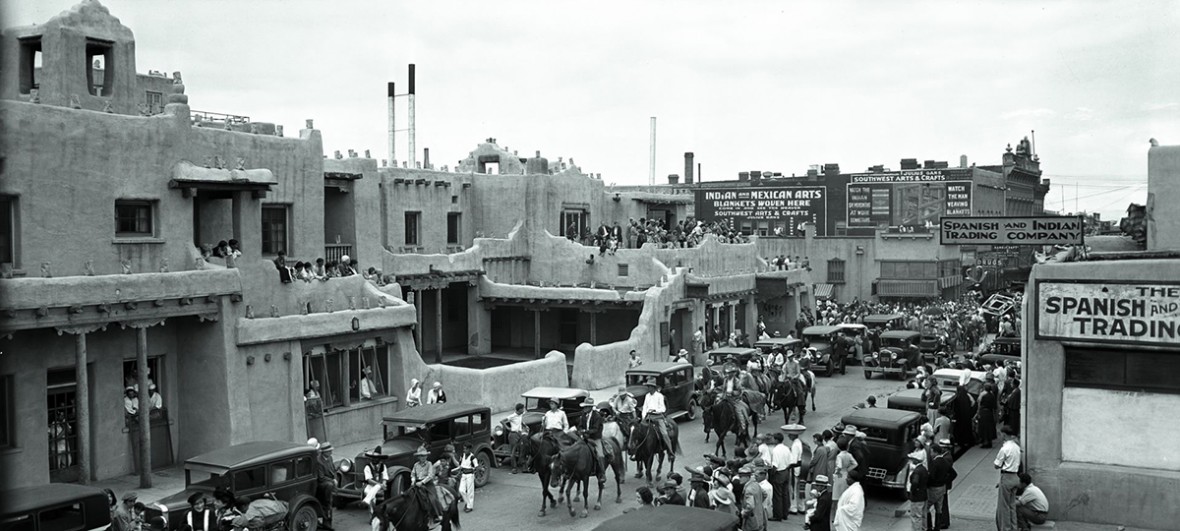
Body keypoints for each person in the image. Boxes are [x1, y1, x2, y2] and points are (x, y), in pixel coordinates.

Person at [995, 426, 1022, 531]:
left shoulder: (1005, 448)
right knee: (1012, 505)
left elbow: (997, 465)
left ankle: (1005, 528)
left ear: (1004, 434)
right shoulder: (1016, 447)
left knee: (1004, 506)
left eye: (1000, 434)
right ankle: (1014, 527)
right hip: (1015, 476)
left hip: (1007, 476)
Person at [411, 445, 445, 524]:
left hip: (427, 484)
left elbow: (430, 475)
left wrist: (422, 482)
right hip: (417, 483)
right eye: (421, 456)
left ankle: (436, 515)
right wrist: (413, 480)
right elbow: (412, 474)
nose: (423, 457)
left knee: (432, 498)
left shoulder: (429, 464)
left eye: (424, 456)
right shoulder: (416, 465)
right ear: (418, 457)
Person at [640, 381, 675, 455]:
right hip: (648, 416)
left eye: (650, 387)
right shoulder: (647, 396)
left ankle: (670, 450)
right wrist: (643, 416)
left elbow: (663, 408)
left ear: (653, 388)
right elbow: (645, 407)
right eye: (648, 387)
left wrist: (655, 410)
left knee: (664, 433)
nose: (648, 388)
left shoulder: (660, 396)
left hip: (658, 416)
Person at [575, 396, 606, 476]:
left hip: (595, 438)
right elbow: (580, 425)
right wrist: (580, 430)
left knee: (600, 455)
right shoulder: (583, 415)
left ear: (590, 407)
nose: (585, 408)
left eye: (586, 407)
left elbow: (595, 429)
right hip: (585, 437)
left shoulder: (597, 416)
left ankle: (602, 473)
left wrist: (586, 431)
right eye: (584, 406)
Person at [307, 438, 335, 525]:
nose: (331, 452)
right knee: (326, 502)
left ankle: (328, 520)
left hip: (329, 482)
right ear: (324, 452)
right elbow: (321, 478)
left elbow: (333, 470)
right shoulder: (319, 461)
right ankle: (326, 521)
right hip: (323, 485)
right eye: (329, 451)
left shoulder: (330, 458)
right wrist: (332, 481)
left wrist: (335, 478)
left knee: (329, 502)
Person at [927, 441, 953, 531]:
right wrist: (945, 481)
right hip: (942, 488)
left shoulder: (935, 463)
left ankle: (929, 527)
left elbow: (932, 476)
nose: (930, 454)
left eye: (931, 452)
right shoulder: (945, 462)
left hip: (934, 488)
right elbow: (953, 474)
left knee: (927, 507)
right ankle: (937, 527)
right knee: (939, 508)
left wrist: (928, 484)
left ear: (935, 452)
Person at [768, 432, 791, 521]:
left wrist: (772, 475)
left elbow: (775, 465)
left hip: (779, 473)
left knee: (777, 495)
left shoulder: (776, 450)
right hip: (786, 471)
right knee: (785, 493)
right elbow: (790, 462)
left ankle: (778, 515)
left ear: (776, 440)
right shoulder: (786, 448)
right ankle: (785, 513)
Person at [738, 465, 767, 531]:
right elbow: (764, 494)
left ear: (747, 477)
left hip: (752, 520)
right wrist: (758, 502)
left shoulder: (748, 489)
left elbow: (750, 506)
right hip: (760, 517)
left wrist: (743, 512)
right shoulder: (756, 484)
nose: (740, 479)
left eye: (741, 477)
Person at [906, 449, 929, 531]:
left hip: (917, 498)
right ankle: (924, 528)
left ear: (916, 460)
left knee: (916, 516)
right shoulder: (924, 469)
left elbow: (915, 482)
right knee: (923, 515)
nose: (911, 461)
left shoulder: (917, 471)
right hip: (924, 495)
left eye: (912, 459)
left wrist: (913, 491)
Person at [501, 403, 528, 473]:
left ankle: (524, 467)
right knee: (513, 451)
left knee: (522, 449)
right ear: (519, 410)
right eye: (523, 409)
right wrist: (508, 428)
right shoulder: (512, 416)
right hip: (513, 435)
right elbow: (502, 421)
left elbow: (520, 422)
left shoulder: (521, 415)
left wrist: (524, 425)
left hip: (520, 433)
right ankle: (514, 467)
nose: (523, 410)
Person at [362, 446, 389, 512]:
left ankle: (366, 500)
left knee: (377, 486)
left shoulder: (383, 466)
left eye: (376, 458)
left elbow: (385, 477)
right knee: (367, 492)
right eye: (373, 458)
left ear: (379, 459)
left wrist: (384, 484)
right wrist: (380, 484)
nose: (374, 459)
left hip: (380, 486)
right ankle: (372, 512)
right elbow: (369, 480)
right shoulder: (367, 467)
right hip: (371, 485)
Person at [832, 438, 857, 502]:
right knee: (844, 492)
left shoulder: (839, 456)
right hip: (845, 473)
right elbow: (855, 464)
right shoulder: (849, 455)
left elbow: (839, 465)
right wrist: (847, 469)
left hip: (839, 475)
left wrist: (836, 472)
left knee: (836, 494)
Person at [976, 382, 998, 448]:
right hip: (990, 413)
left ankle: (985, 442)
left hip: (983, 412)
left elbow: (979, 404)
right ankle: (989, 442)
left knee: (984, 428)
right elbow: (995, 406)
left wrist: (978, 413)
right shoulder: (992, 395)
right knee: (989, 428)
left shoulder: (982, 395)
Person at [457, 443, 477, 513]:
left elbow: (476, 466)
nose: (464, 450)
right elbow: (460, 464)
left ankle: (469, 506)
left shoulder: (472, 457)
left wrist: (474, 472)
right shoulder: (462, 456)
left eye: (466, 449)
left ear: (469, 449)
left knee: (470, 491)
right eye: (464, 449)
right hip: (463, 474)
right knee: (461, 490)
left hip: (470, 475)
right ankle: (467, 502)